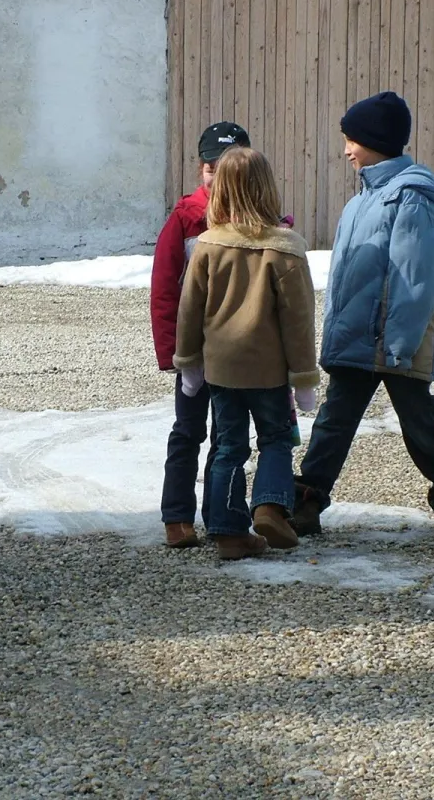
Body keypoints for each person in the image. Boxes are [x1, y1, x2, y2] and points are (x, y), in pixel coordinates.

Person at [293, 91, 434, 536]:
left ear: (376, 141)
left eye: (351, 140)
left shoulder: (410, 199)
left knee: (419, 420)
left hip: (394, 341)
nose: (346, 150)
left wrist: (401, 342)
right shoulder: (363, 200)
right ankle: (308, 497)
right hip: (359, 335)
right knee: (335, 419)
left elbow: (417, 277)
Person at [173, 147, 319, 561]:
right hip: (269, 371)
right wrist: (304, 378)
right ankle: (270, 505)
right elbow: (298, 321)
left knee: (228, 447)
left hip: (222, 370)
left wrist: (189, 362)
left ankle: (229, 531)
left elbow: (189, 310)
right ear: (267, 188)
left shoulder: (207, 246)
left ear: (219, 190)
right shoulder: (286, 250)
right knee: (275, 439)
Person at [150, 121, 250, 548]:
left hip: (238, 350)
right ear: (201, 170)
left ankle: (219, 518)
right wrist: (172, 352)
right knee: (188, 431)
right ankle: (177, 516)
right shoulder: (186, 218)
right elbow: (164, 288)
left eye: (227, 170)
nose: (218, 179)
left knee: (229, 436)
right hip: (195, 350)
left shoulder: (256, 219)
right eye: (212, 170)